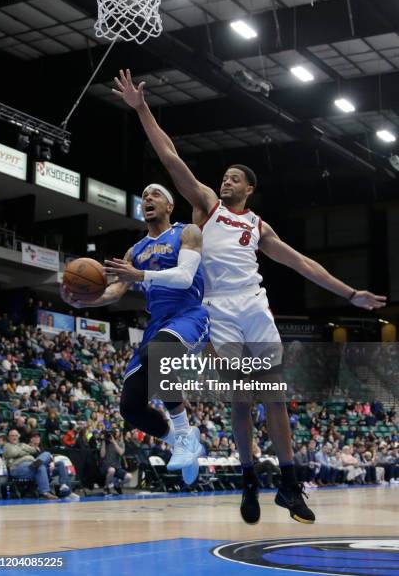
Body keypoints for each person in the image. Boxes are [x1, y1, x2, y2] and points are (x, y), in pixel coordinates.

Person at [113, 68, 387, 525]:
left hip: (255, 306)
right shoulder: (206, 207)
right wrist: (141, 108)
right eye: (224, 177)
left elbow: (301, 262)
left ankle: (289, 483)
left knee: (273, 396)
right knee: (242, 400)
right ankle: (246, 478)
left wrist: (349, 292)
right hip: (217, 309)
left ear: (250, 188)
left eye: (234, 178)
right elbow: (170, 156)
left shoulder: (258, 226)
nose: (226, 182)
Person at [61, 183, 210, 485]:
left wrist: (140, 275)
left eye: (155, 195)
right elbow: (116, 291)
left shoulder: (187, 232)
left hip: (189, 314)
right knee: (130, 407)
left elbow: (183, 278)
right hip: (157, 325)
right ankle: (182, 442)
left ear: (169, 206)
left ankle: (183, 433)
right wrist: (84, 299)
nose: (147, 200)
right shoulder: (135, 251)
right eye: (143, 197)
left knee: (158, 351)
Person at [99, 428, 131, 494]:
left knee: (129, 477)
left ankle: (117, 485)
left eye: (117, 432)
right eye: (114, 432)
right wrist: (104, 441)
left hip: (117, 467)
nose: (115, 433)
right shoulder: (105, 442)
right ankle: (106, 487)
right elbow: (102, 455)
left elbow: (121, 453)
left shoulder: (121, 443)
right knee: (111, 470)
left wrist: (114, 442)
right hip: (106, 467)